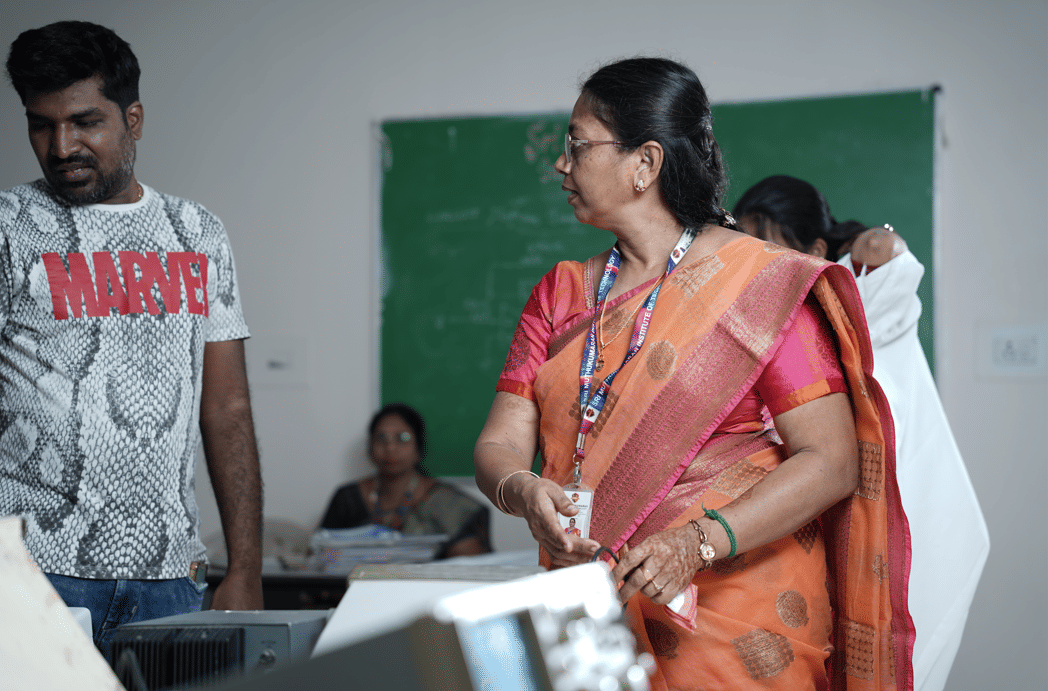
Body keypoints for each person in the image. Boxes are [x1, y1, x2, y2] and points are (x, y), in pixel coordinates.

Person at [474, 57, 913, 690]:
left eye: (578, 145)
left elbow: (832, 459)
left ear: (644, 164)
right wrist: (521, 490)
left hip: (735, 619)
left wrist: (699, 543)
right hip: (592, 611)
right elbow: (499, 442)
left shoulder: (757, 285)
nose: (562, 165)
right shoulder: (562, 293)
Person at [0, 21, 263, 656]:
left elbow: (226, 409)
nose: (61, 146)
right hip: (31, 571)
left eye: (85, 121)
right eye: (41, 124)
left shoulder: (196, 231)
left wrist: (245, 569)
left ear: (133, 119)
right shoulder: (8, 227)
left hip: (172, 576)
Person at [734, 175, 989, 691]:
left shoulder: (854, 300)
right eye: (746, 244)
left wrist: (879, 238)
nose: (756, 262)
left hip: (903, 513)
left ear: (817, 250)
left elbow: (890, 254)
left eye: (768, 243)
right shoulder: (759, 324)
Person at [321, 403, 490, 559]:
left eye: (402, 438)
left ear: (419, 447)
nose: (390, 448)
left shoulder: (449, 504)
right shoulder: (347, 499)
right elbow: (320, 555)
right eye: (381, 439)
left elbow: (469, 564)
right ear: (370, 448)